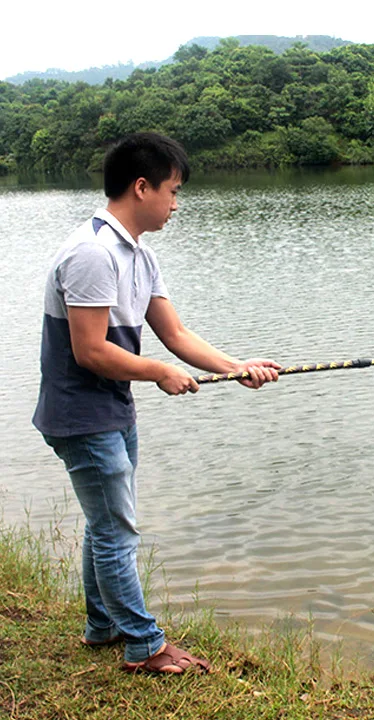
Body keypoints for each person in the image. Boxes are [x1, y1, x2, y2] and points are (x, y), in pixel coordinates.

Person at [32, 132, 280, 674]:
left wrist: (236, 368)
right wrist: (160, 375)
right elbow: (91, 350)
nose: (176, 203)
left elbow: (176, 332)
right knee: (117, 528)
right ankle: (144, 645)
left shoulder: (138, 255)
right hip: (81, 414)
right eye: (172, 190)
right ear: (141, 187)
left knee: (106, 524)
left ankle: (103, 627)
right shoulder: (92, 254)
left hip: (111, 410)